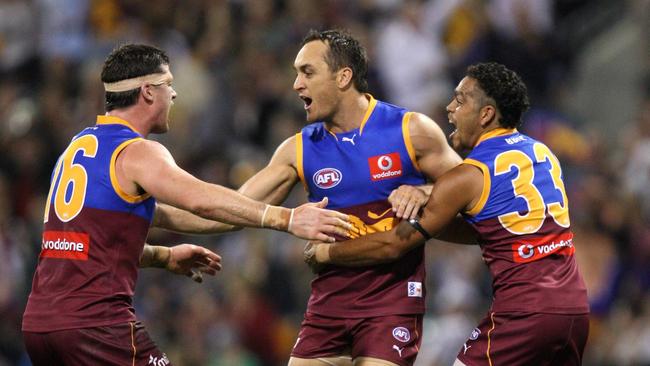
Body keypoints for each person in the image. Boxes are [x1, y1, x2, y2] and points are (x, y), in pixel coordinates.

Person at [21, 43, 352, 366]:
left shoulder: (75, 150)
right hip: (96, 325)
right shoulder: (137, 151)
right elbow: (201, 201)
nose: (174, 94)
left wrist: (164, 256)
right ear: (148, 92)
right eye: (169, 85)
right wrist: (287, 218)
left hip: (40, 326)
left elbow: (93, 245)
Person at [305, 62, 590, 366]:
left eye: (460, 99)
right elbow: (490, 228)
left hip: (523, 314)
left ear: (486, 114)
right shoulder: (543, 154)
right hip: (574, 310)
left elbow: (394, 244)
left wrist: (326, 253)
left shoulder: (467, 176)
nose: (449, 107)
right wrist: (431, 201)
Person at [235, 29, 462, 366]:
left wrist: (424, 190)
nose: (296, 84)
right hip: (329, 304)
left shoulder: (410, 130)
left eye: (307, 72)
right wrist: (153, 214)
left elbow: (473, 189)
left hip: (392, 303)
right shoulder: (299, 148)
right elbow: (229, 207)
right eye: (296, 73)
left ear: (343, 77)